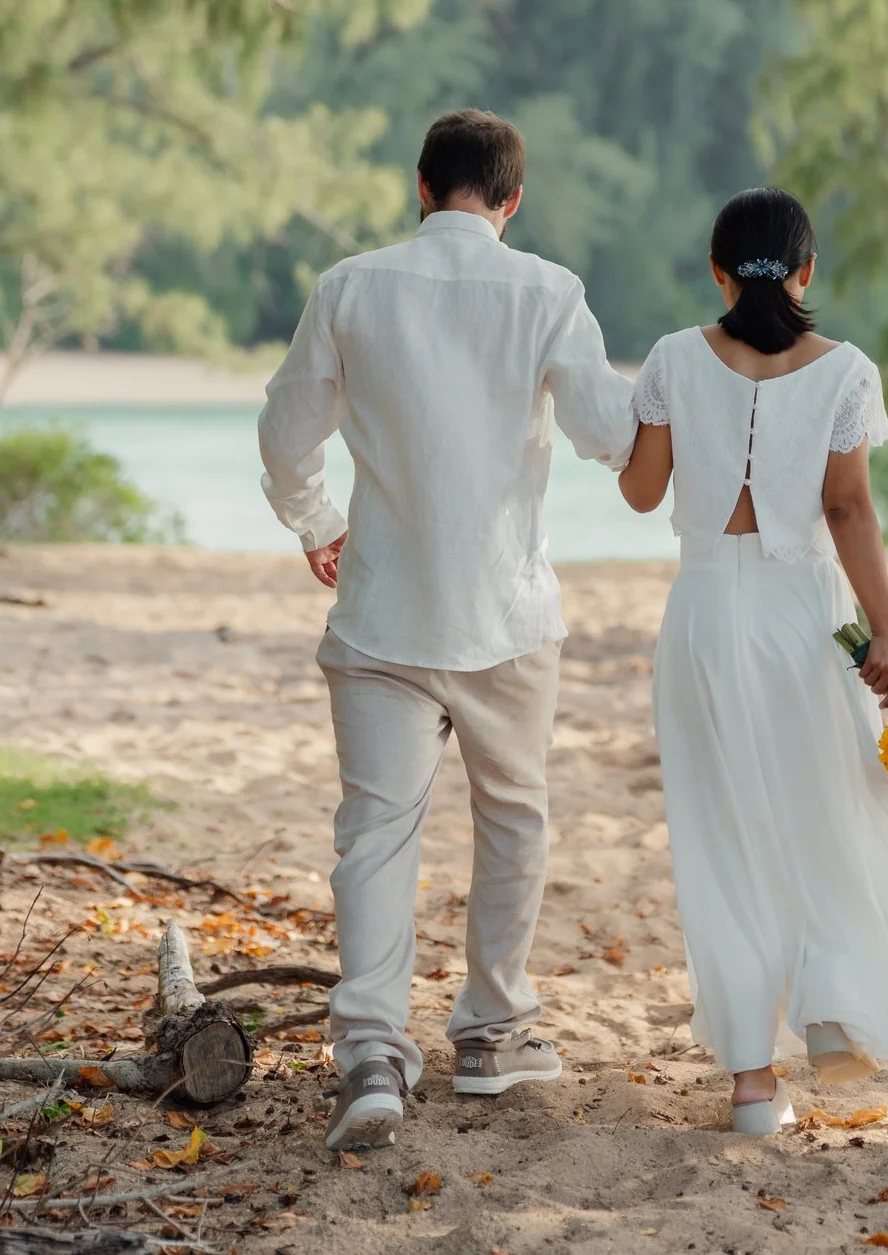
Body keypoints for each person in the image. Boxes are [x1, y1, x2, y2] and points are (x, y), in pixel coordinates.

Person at [616, 187, 888, 1133]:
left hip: (702, 612)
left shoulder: (669, 360)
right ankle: (829, 1016)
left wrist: (644, 428)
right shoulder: (845, 371)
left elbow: (642, 495)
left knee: (722, 837)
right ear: (809, 271)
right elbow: (849, 509)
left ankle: (749, 1083)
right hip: (800, 614)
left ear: (717, 271)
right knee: (829, 810)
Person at [258, 108, 639, 1152]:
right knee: (513, 818)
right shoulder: (549, 291)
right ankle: (491, 1029)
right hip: (506, 613)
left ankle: (373, 1053)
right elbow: (610, 431)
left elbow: (287, 429)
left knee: (375, 832)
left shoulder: (348, 285)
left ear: (421, 185)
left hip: (382, 604)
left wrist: (318, 523)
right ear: (512, 201)